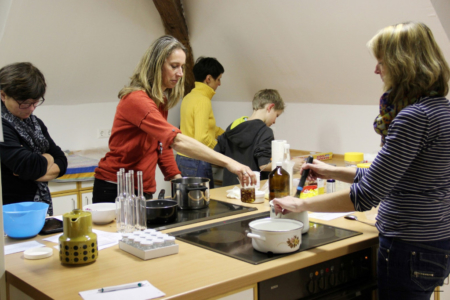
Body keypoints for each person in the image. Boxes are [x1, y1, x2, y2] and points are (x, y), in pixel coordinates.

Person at [273, 22, 450, 300]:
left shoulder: (413, 118)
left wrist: (301, 203)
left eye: (381, 61)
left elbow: (367, 195)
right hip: (435, 240)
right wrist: (332, 171)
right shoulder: (440, 109)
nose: (376, 70)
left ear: (403, 64)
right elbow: (393, 176)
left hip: (407, 246)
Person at [93, 36, 255, 203]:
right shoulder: (136, 100)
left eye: (182, 67)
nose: (180, 73)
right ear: (156, 65)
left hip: (142, 188)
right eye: (174, 66)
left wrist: (177, 178)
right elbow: (175, 140)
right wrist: (228, 162)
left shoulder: (160, 101)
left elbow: (162, 144)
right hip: (115, 186)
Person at [0, 62, 68, 216]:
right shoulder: (1, 127)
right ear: (3, 95)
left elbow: (61, 161)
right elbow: (28, 165)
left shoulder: (35, 122)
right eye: (24, 103)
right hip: (10, 211)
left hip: (37, 208)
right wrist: (48, 158)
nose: (31, 109)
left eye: (35, 102)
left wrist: (37, 166)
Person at [214, 89, 286, 186]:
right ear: (270, 107)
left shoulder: (233, 127)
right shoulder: (265, 131)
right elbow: (263, 166)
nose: (274, 121)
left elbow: (216, 155)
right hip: (250, 190)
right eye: (276, 115)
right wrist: (288, 163)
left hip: (228, 190)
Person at [176, 57, 225, 188]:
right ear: (208, 79)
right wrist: (221, 152)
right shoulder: (203, 100)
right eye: (218, 79)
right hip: (197, 161)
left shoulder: (189, 97)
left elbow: (207, 127)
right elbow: (202, 138)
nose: (219, 83)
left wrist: (226, 134)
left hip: (182, 158)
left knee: (187, 203)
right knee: (205, 203)